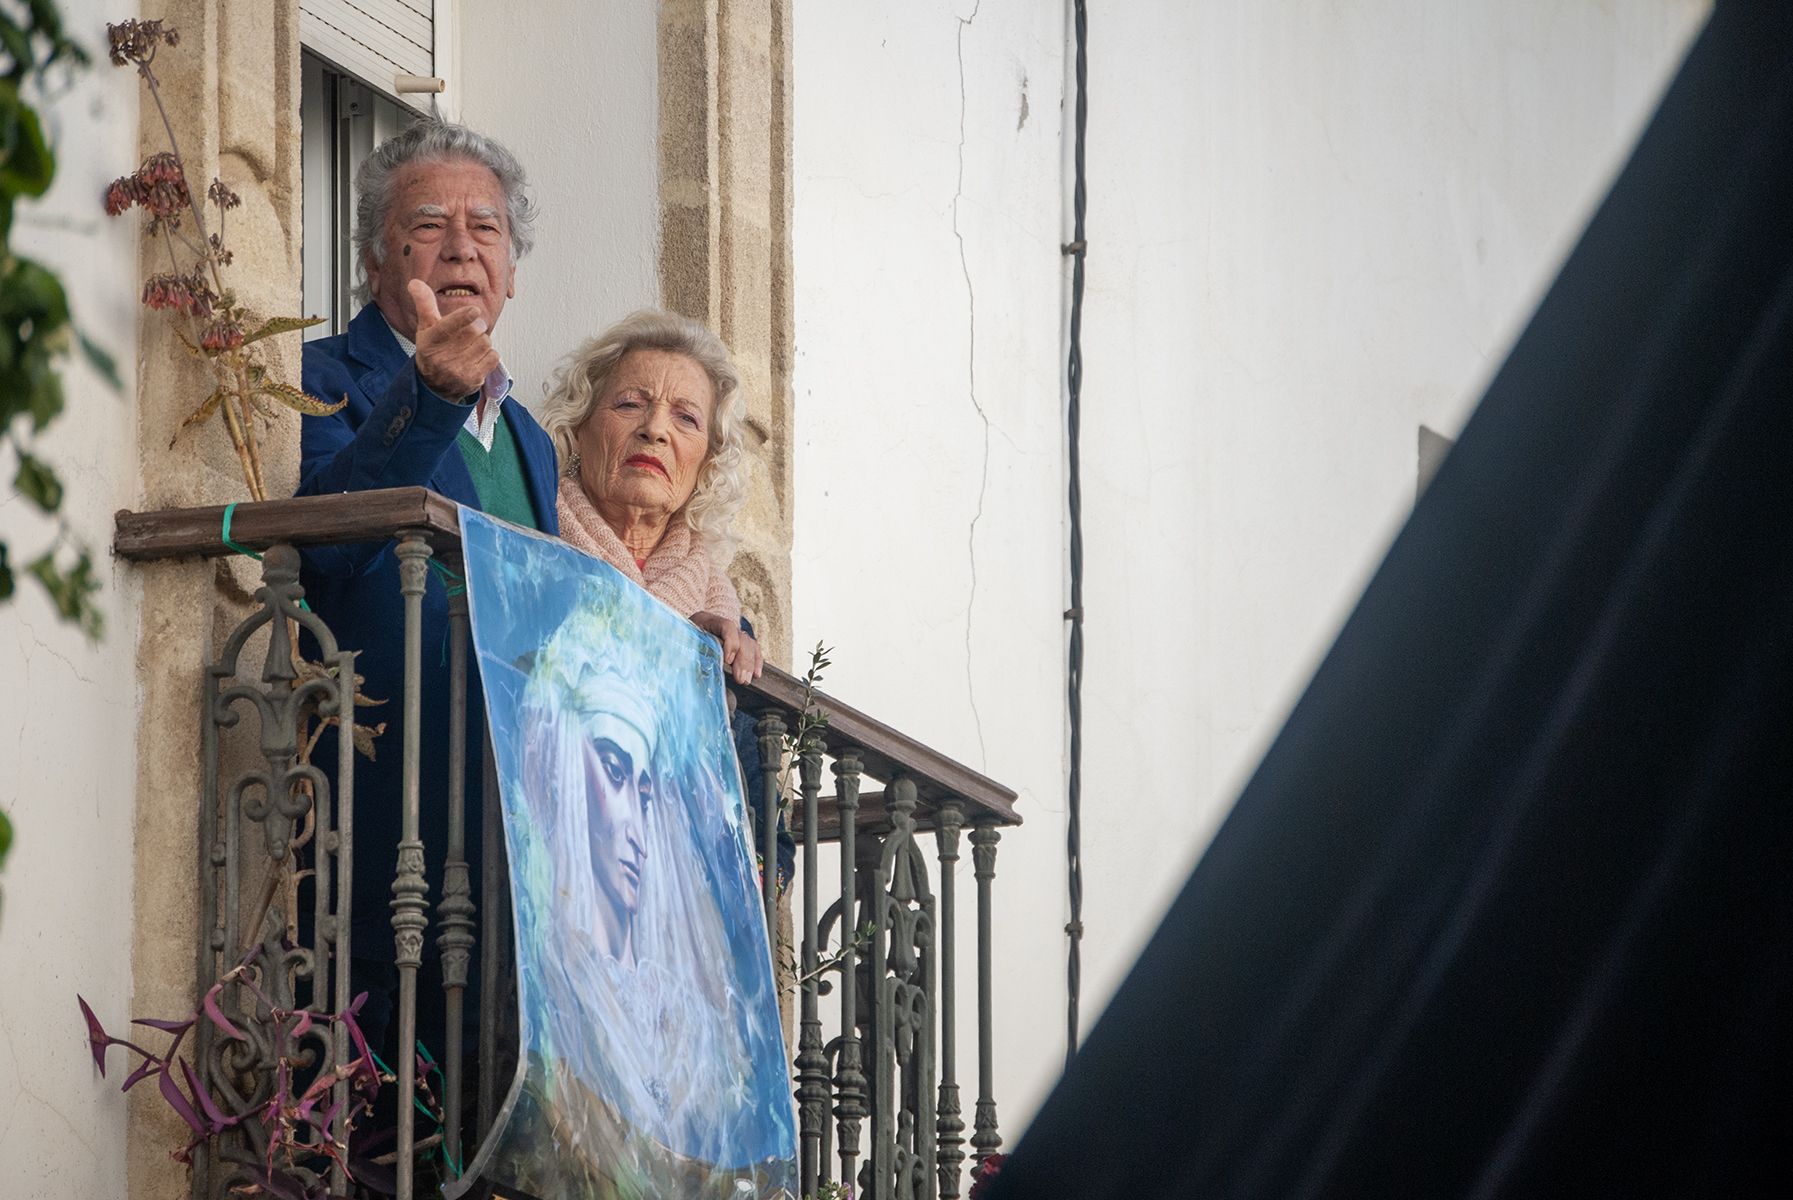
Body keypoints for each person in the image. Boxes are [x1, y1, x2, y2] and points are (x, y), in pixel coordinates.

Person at [295, 120, 558, 1067]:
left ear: (512, 269)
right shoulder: (318, 379)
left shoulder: (529, 436)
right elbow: (330, 544)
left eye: (486, 229)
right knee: (375, 1125)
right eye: (429, 225)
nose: (461, 248)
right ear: (375, 256)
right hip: (381, 833)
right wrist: (428, 397)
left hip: (497, 846)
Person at [539, 309, 794, 889]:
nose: (655, 429)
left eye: (686, 418)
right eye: (630, 403)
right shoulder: (533, 561)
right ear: (579, 428)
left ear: (704, 464)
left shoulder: (727, 625)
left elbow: (767, 847)